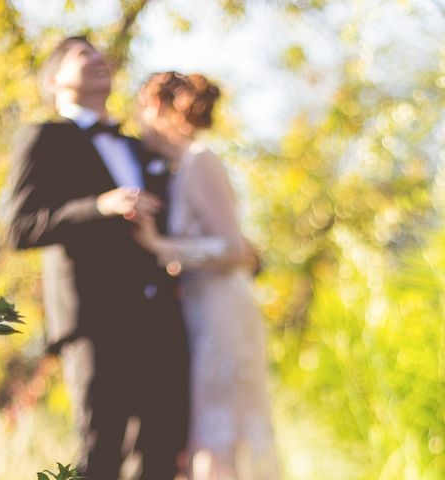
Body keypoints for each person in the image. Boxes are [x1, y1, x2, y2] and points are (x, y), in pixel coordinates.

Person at [6, 37, 189, 479]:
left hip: (160, 314)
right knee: (100, 451)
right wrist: (99, 206)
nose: (98, 59)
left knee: (161, 452)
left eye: (101, 54)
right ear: (53, 81)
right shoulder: (44, 137)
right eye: (82, 55)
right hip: (94, 320)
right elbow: (19, 227)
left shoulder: (140, 148)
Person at [134, 72, 279, 479]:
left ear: (158, 109)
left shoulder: (201, 160)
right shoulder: (185, 167)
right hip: (200, 306)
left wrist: (159, 247)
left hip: (221, 308)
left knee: (220, 430)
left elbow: (235, 249)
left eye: (140, 110)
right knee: (206, 429)